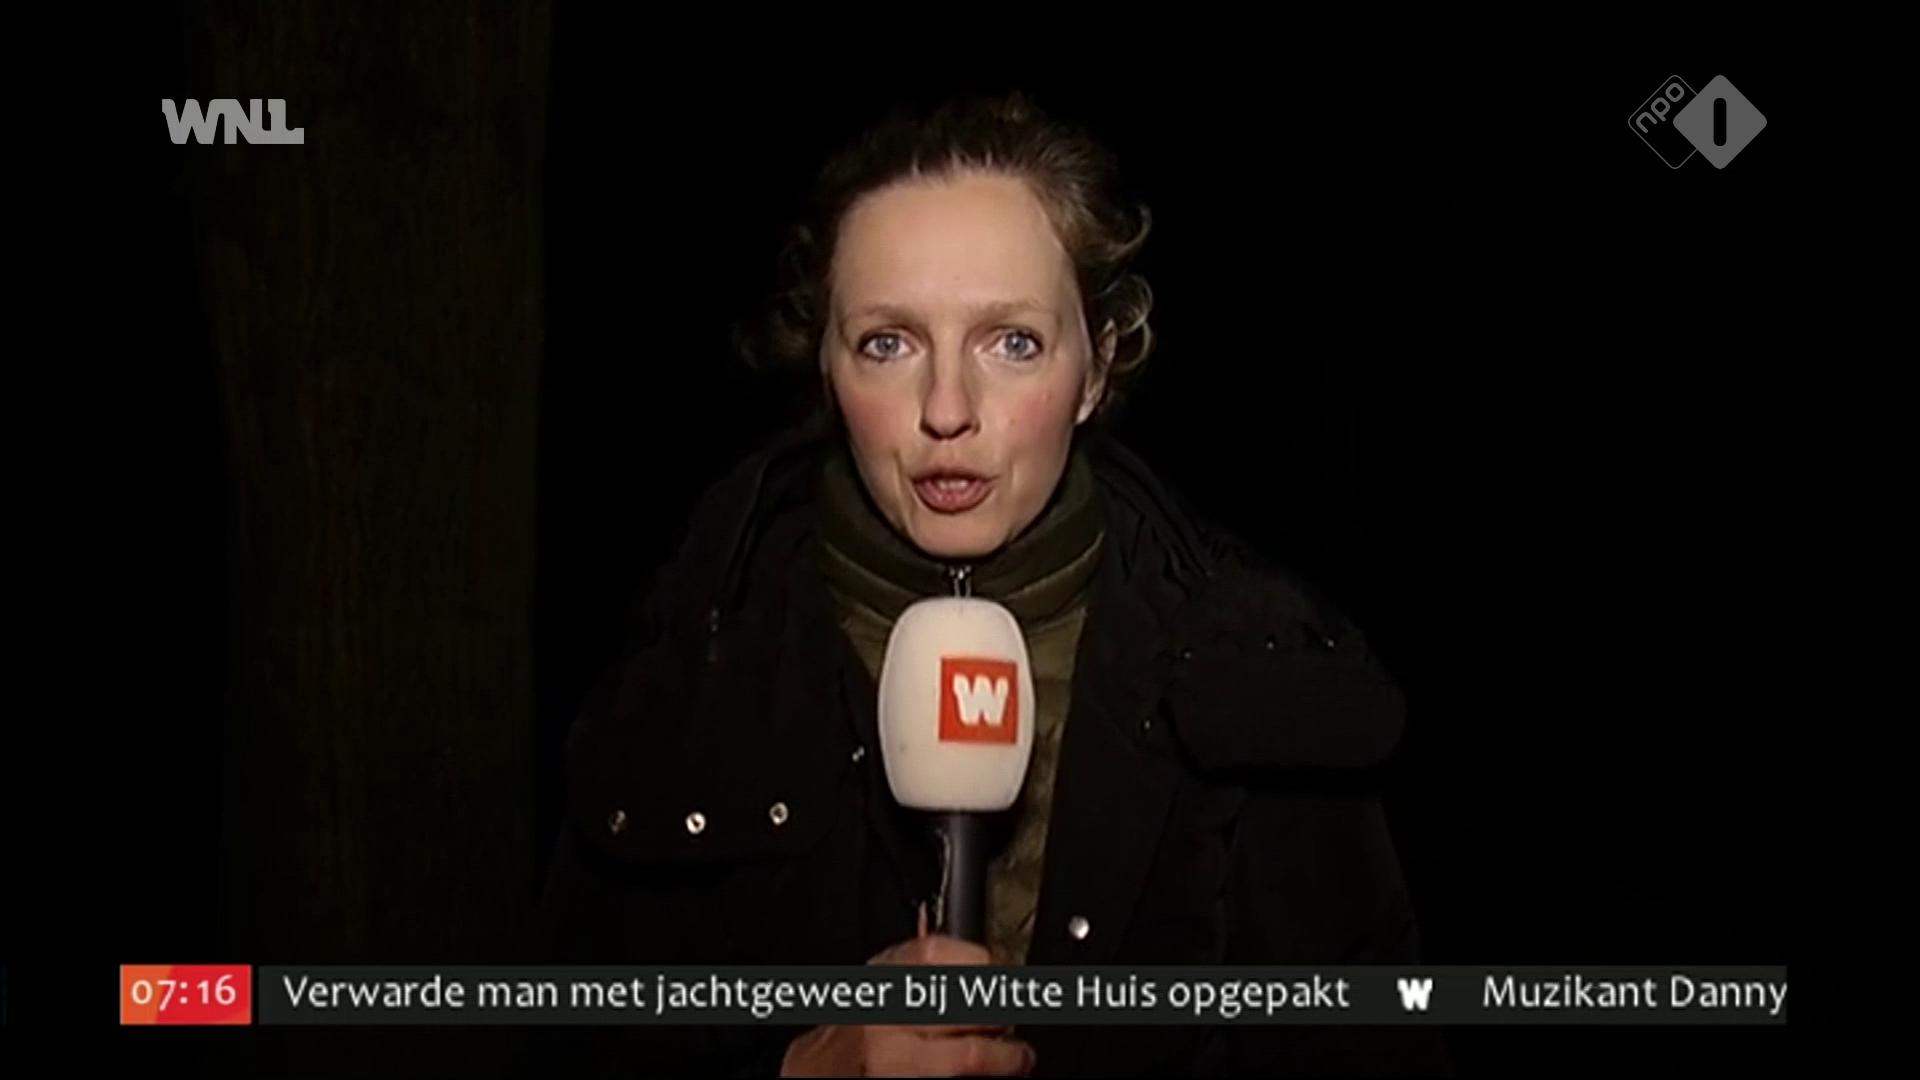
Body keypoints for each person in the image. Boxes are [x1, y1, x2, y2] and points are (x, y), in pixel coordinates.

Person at [534, 90, 1449, 1077]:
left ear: (1097, 366)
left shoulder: (1260, 676)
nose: (946, 409)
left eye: (1012, 342)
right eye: (888, 343)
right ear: (826, 366)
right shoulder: (690, 677)